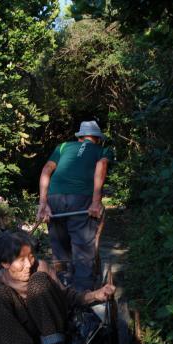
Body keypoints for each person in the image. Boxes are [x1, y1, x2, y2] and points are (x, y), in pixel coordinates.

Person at [0, 232, 115, 344]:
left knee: (38, 280)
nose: (28, 264)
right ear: (5, 264)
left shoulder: (41, 268)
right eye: (21, 260)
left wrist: (95, 295)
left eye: (31, 257)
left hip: (52, 325)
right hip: (21, 334)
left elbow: (66, 295)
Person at [37, 120, 113, 291]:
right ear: (98, 138)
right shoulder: (103, 150)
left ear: (80, 138)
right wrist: (95, 201)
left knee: (59, 245)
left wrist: (43, 203)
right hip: (80, 198)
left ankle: (63, 287)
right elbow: (101, 165)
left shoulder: (63, 146)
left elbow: (47, 169)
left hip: (54, 197)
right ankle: (83, 295)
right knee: (83, 246)